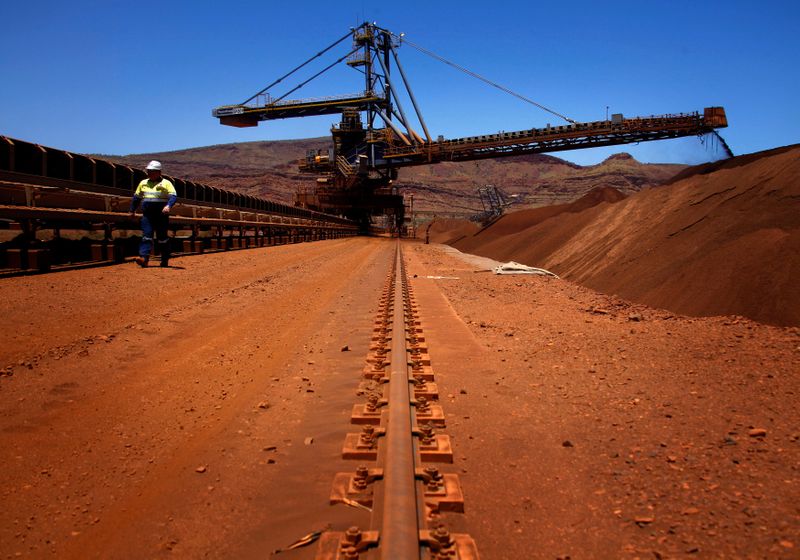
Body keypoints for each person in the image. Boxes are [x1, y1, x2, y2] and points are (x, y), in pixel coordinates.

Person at [129, 160, 177, 267]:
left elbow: (173, 196)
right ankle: (143, 258)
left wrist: (168, 206)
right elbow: (136, 198)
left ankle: (164, 259)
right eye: (148, 171)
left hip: (161, 216)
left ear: (159, 172)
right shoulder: (143, 183)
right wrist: (132, 210)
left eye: (152, 171)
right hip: (148, 216)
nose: (149, 173)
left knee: (162, 238)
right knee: (146, 236)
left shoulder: (166, 183)